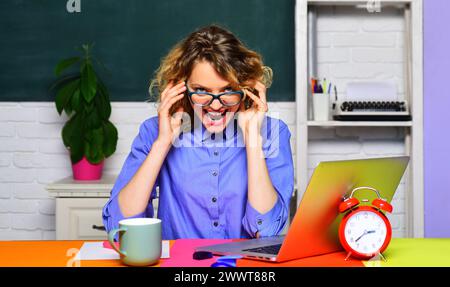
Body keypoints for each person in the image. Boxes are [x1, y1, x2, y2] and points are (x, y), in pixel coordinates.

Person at [102, 24, 294, 240]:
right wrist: (163, 143)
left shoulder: (273, 132)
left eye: (228, 90)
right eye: (201, 90)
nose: (214, 105)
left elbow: (266, 231)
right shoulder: (154, 131)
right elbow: (121, 230)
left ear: (245, 88)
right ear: (181, 87)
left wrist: (252, 140)